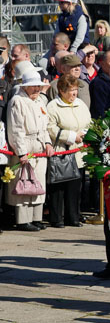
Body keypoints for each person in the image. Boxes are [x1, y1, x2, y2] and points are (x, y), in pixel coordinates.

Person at [6, 69, 54, 231]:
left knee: (38, 183)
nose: (37, 89)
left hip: (39, 145)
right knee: (24, 183)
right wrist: (21, 152)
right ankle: (23, 219)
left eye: (38, 86)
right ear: (25, 86)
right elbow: (16, 130)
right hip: (26, 145)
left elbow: (45, 126)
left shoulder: (40, 101)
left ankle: (36, 217)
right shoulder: (17, 101)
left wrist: (48, 143)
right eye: (33, 86)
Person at [46, 75, 91, 228]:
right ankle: (57, 218)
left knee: (75, 187)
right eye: (70, 91)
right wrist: (71, 136)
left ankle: (73, 217)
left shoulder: (81, 104)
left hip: (79, 153)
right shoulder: (53, 106)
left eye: (75, 90)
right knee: (59, 187)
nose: (74, 94)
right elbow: (51, 127)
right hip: (62, 151)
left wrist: (85, 133)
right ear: (61, 91)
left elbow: (88, 121)